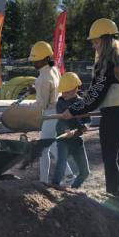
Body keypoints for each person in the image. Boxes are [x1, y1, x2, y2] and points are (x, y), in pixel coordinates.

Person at [60, 18, 119, 197]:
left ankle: (112, 199)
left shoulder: (106, 62)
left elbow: (96, 94)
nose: (94, 46)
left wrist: (73, 110)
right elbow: (99, 92)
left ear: (105, 40)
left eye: (95, 42)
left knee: (110, 159)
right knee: (116, 158)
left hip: (112, 114)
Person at [27, 41, 73, 183]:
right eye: (33, 59)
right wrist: (37, 90)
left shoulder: (41, 78)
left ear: (46, 58)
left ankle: (47, 180)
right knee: (50, 146)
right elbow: (52, 87)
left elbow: (41, 104)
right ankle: (66, 176)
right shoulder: (54, 69)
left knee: (45, 148)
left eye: (37, 59)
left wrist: (26, 108)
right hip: (59, 110)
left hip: (50, 114)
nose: (34, 62)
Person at [51, 72, 90, 188]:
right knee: (61, 166)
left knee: (85, 172)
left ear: (75, 89)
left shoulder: (82, 103)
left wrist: (84, 128)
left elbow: (87, 120)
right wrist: (66, 129)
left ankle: (74, 189)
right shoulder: (61, 103)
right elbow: (62, 119)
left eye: (67, 91)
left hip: (77, 140)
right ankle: (54, 186)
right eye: (62, 91)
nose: (64, 94)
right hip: (64, 139)